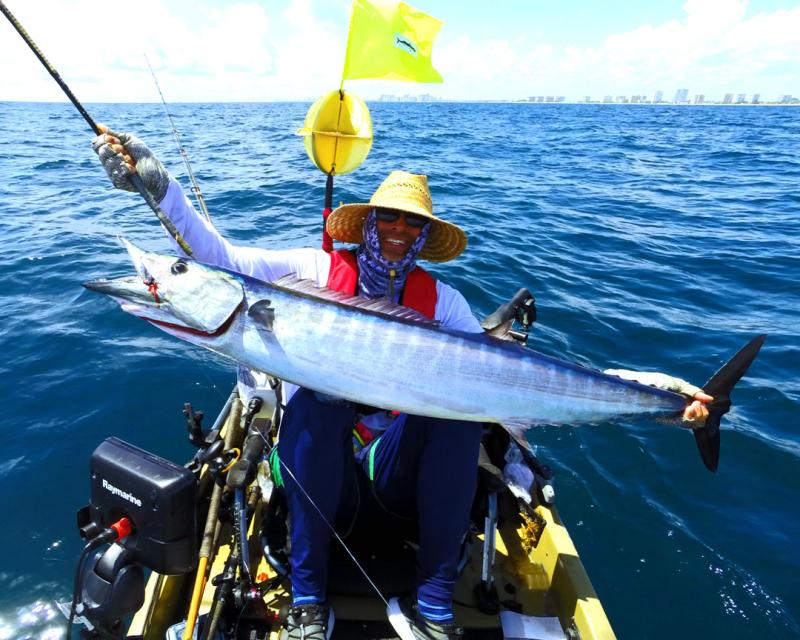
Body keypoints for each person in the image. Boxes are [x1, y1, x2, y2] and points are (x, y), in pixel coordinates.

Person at [92, 127, 712, 640]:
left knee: (459, 415)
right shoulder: (309, 271)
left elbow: (521, 372)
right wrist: (160, 189)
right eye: (388, 217)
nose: (397, 230)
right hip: (316, 470)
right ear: (368, 221)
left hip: (399, 475)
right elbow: (220, 259)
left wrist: (660, 393)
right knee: (310, 408)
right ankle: (307, 597)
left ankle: (436, 596)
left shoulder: (444, 302)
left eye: (411, 226)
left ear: (422, 238)